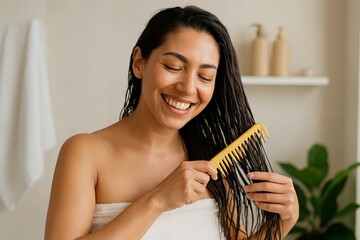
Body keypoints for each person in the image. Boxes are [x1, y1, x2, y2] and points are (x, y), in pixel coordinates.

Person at [45, 5, 298, 240]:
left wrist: (286, 219)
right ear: (139, 63)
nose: (188, 88)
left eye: (205, 76)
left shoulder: (211, 158)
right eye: (173, 66)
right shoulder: (85, 153)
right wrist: (158, 201)